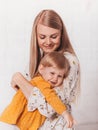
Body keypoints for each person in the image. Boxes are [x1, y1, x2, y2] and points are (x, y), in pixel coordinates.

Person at [0, 9, 80, 130]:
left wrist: (19, 79)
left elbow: (50, 108)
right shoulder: (38, 61)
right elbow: (31, 102)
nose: (48, 42)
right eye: (42, 37)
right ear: (36, 36)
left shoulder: (69, 61)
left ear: (61, 35)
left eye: (54, 36)